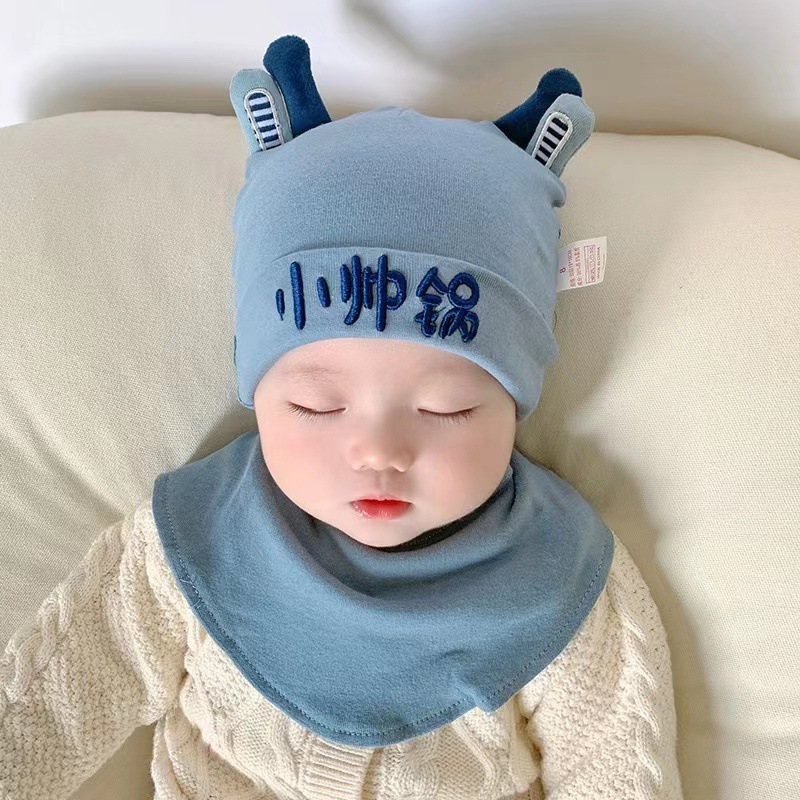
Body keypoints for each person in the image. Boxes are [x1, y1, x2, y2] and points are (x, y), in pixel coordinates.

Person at [0, 34, 684, 800]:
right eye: (317, 405)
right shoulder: (192, 544)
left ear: (516, 399)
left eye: (447, 407)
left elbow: (612, 770)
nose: (379, 450)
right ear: (257, 390)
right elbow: (48, 710)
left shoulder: (562, 580)